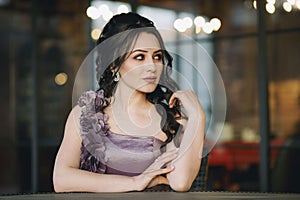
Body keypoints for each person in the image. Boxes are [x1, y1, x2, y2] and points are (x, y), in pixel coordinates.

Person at [53, 12, 205, 193]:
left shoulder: (172, 119)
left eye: (157, 56)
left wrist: (197, 115)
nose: (152, 66)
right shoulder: (85, 114)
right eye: (139, 57)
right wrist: (135, 182)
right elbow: (61, 179)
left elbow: (180, 183)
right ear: (113, 65)